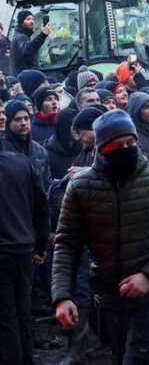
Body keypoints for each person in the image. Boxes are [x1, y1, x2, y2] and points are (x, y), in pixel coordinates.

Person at [52, 109, 149, 364]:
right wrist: (62, 296)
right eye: (118, 145)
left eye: (131, 143)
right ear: (102, 147)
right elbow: (67, 243)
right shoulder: (81, 187)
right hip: (109, 301)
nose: (126, 149)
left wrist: (148, 276)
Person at [0, 146, 49, 365]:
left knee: (7, 318)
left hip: (6, 252)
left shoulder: (21, 163)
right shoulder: (21, 163)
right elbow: (41, 205)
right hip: (24, 249)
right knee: (22, 314)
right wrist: (40, 246)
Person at [2, 100, 52, 188]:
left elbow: (47, 185)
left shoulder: (40, 151)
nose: (23, 123)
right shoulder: (2, 149)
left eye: (26, 118)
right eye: (17, 119)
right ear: (8, 122)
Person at [44, 108, 81, 180]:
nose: (78, 129)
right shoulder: (48, 153)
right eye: (74, 125)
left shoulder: (83, 148)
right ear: (64, 127)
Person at [11, 10, 50, 75]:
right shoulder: (20, 37)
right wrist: (42, 35)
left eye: (32, 19)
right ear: (21, 22)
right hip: (24, 78)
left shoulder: (23, 35)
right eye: (28, 19)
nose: (32, 21)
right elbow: (27, 50)